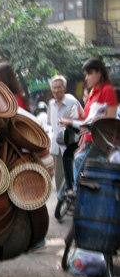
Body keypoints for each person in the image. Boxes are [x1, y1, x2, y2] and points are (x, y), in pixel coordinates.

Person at [60, 57, 117, 195]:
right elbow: (87, 119)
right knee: (75, 159)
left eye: (90, 73)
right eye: (86, 74)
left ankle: (75, 191)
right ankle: (69, 193)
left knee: (82, 169)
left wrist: (96, 120)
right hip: (89, 139)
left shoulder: (107, 90)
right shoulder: (92, 93)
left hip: (103, 141)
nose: (87, 77)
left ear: (99, 73)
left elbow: (111, 118)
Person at [47, 74, 84, 193]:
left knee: (72, 178)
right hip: (56, 148)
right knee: (59, 179)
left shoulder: (72, 102)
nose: (56, 90)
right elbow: (49, 123)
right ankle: (62, 204)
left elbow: (81, 122)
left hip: (71, 146)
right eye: (54, 87)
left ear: (64, 88)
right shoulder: (51, 104)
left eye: (59, 87)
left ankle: (72, 201)